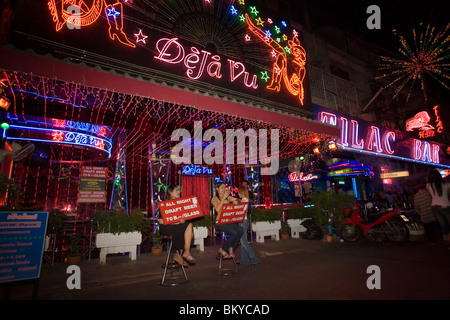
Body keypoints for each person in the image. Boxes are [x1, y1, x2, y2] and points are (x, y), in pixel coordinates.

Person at [158, 185, 196, 266]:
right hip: (166, 227)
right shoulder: (165, 204)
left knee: (189, 225)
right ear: (171, 193)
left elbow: (182, 218)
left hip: (177, 225)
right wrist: (175, 222)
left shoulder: (180, 203)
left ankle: (183, 253)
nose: (179, 192)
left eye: (179, 190)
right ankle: (181, 254)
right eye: (176, 190)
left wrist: (182, 220)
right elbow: (161, 221)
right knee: (186, 229)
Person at [211, 183, 243, 259]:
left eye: (225, 187)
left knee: (240, 230)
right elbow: (217, 209)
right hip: (220, 222)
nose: (224, 189)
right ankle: (222, 249)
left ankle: (231, 247)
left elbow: (237, 199)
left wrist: (237, 201)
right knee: (234, 233)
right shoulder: (214, 199)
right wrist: (223, 199)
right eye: (222, 188)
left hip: (228, 220)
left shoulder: (227, 197)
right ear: (217, 189)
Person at [426, 169, 450, 246]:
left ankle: (445, 239)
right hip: (446, 205)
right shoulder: (446, 184)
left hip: (435, 206)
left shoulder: (428, 185)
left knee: (443, 225)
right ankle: (448, 239)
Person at [237, 186, 259, 267]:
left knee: (244, 242)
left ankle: (254, 259)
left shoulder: (244, 200)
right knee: (243, 241)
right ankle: (243, 260)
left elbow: (240, 210)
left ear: (242, 192)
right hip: (243, 221)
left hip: (243, 221)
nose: (238, 194)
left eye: (239, 192)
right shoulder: (245, 199)